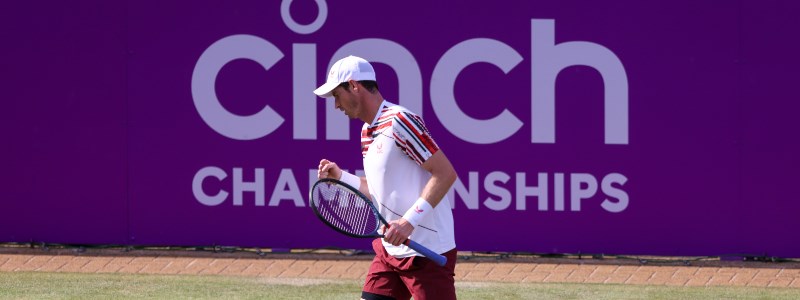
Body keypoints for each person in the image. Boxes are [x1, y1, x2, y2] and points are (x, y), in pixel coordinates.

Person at [313, 55, 458, 300]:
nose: (336, 105)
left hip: (425, 251)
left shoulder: (400, 121)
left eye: (337, 95)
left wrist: (408, 222)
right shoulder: (366, 132)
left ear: (354, 86)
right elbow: (378, 190)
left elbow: (445, 174)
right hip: (389, 252)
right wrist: (341, 177)